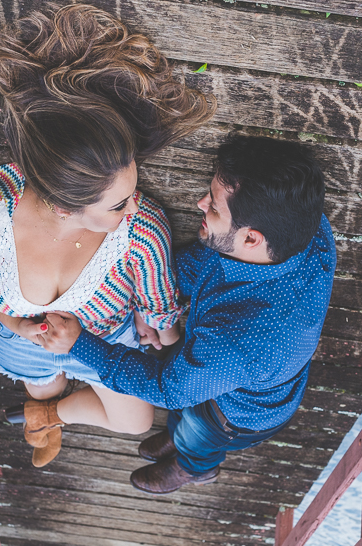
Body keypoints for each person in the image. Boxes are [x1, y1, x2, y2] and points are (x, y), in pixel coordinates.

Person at [0, 4, 214, 467]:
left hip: (104, 343)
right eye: (117, 204)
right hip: (20, 341)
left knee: (135, 422)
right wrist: (16, 324)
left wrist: (178, 364)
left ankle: (49, 415)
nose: (135, 209)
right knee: (41, 376)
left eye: (131, 191)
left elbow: (159, 311)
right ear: (66, 206)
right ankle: (43, 399)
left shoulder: (141, 230)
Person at [35, 134, 335, 494]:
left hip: (235, 415)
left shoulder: (241, 341)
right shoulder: (304, 226)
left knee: (197, 431)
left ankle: (193, 467)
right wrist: (154, 299)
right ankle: (178, 437)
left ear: (251, 240)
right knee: (187, 407)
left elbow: (165, 387)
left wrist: (78, 342)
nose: (200, 202)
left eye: (213, 208)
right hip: (230, 366)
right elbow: (204, 265)